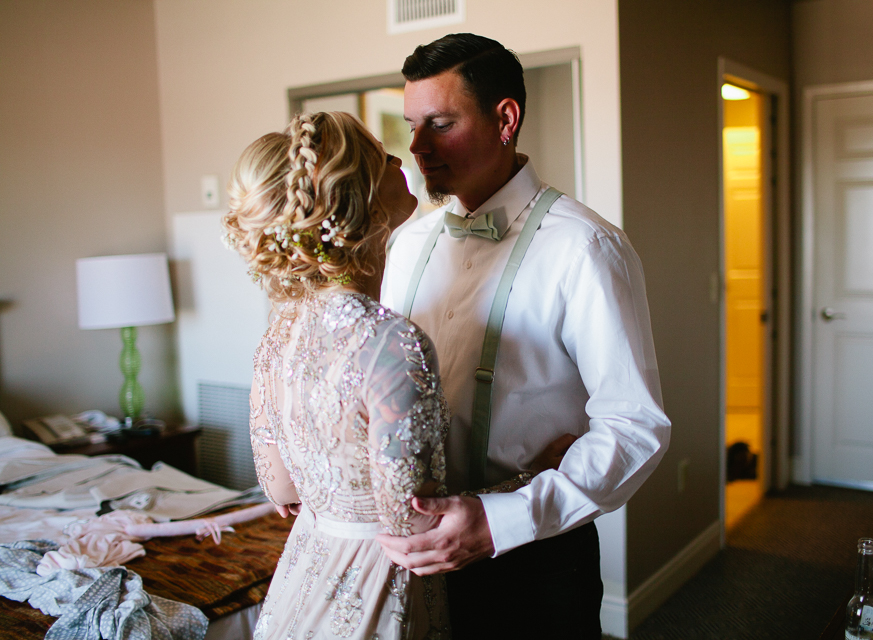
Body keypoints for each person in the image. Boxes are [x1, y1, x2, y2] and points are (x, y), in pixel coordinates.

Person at [379, 33, 672, 639]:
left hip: (533, 561)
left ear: (505, 118)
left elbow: (635, 427)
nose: (417, 148)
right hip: (413, 557)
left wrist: (501, 518)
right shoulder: (406, 246)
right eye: (412, 125)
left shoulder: (585, 248)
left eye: (440, 123)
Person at [223, 111, 448, 639]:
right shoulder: (391, 343)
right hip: (377, 587)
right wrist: (533, 476)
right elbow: (414, 522)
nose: (401, 158)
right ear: (362, 201)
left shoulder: (277, 337)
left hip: (303, 575)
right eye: (382, 156)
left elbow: (279, 488)